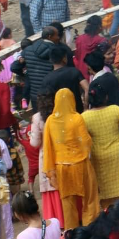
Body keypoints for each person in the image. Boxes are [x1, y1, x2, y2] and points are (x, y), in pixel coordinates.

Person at [43, 88, 100, 228]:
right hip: (81, 165)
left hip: (62, 168)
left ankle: (72, 232)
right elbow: (85, 141)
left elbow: (47, 145)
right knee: (89, 198)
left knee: (67, 202)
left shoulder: (50, 120)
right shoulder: (77, 118)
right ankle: (90, 227)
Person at [82, 95, 119, 210]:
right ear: (105, 98)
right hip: (117, 154)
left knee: (103, 191)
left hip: (98, 157)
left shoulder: (84, 117)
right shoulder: (115, 109)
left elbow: (83, 139)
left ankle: (107, 214)